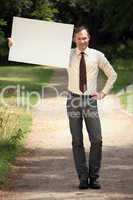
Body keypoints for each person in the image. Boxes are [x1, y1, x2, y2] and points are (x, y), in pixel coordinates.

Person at [66, 26, 117, 190]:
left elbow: (112, 74)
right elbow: (39, 54)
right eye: (79, 38)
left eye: (85, 38)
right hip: (73, 99)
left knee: (97, 139)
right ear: (75, 39)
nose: (82, 41)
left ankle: (94, 177)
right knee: (77, 140)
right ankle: (82, 177)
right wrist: (14, 46)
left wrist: (103, 92)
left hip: (90, 101)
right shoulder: (66, 55)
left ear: (89, 39)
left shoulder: (97, 55)